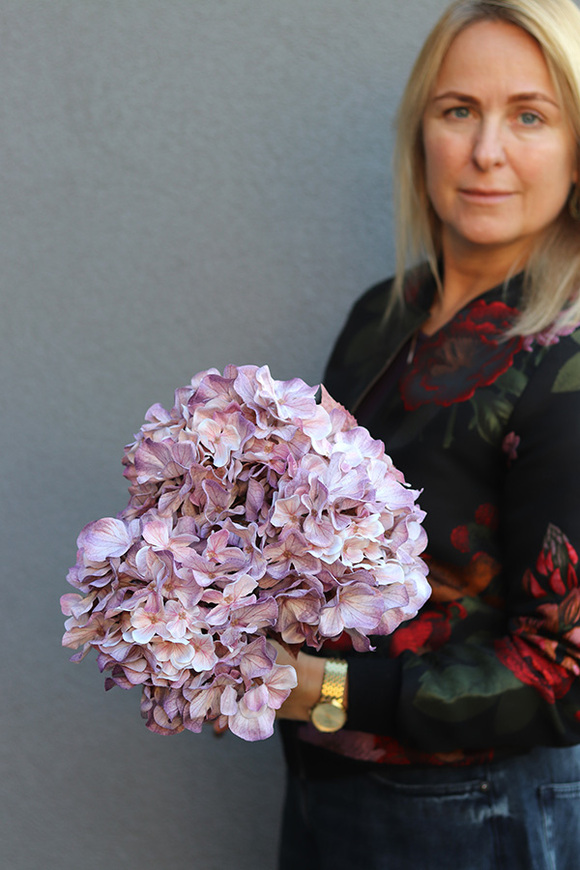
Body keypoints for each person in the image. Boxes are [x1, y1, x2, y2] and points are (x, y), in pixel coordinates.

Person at [274, 1, 580, 868]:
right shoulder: (387, 310)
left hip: (468, 813)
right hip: (325, 786)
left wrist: (324, 690)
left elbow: (567, 672)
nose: (487, 151)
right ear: (422, 134)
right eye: (459, 111)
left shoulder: (569, 359)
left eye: (530, 115)